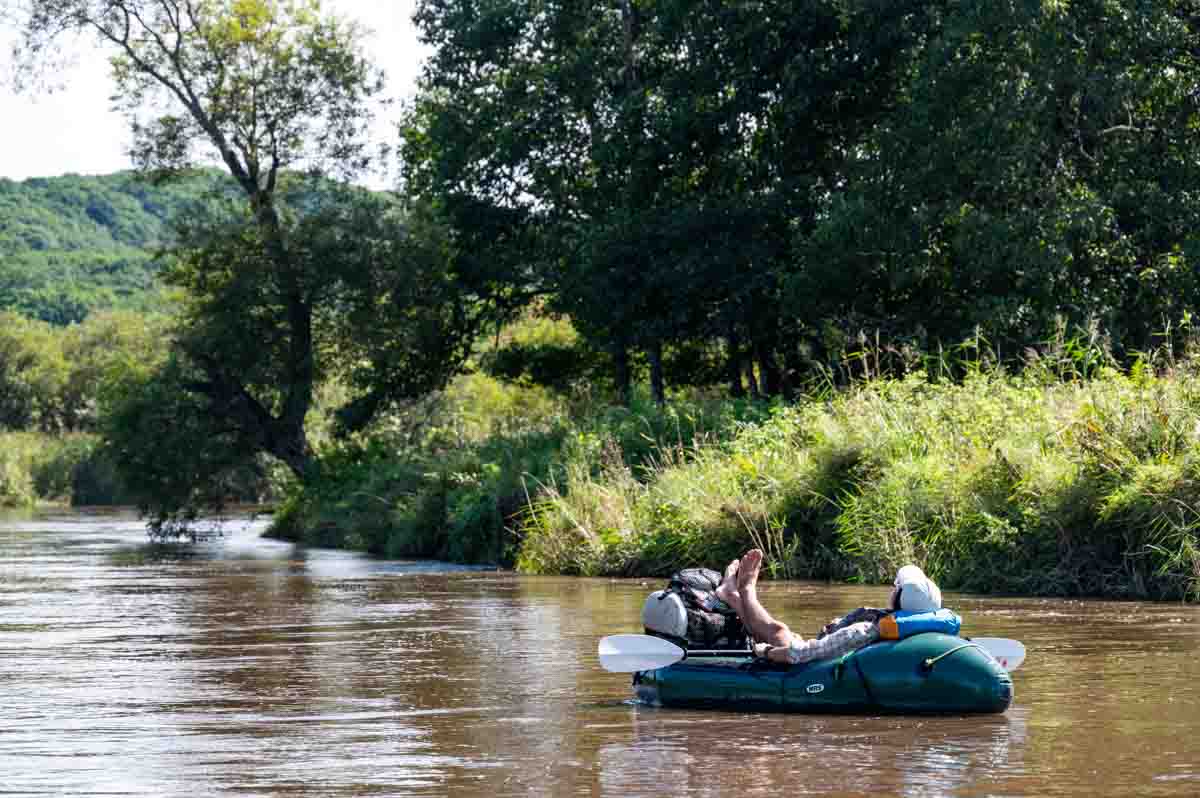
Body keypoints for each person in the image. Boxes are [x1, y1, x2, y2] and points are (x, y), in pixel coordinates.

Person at [712, 549, 944, 665]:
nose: (892, 589)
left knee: (780, 633)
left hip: (814, 668)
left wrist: (765, 652)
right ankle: (731, 595)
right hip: (833, 653)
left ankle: (744, 591)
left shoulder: (866, 630)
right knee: (790, 635)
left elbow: (801, 653)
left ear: (899, 599)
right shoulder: (926, 629)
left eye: (896, 587)